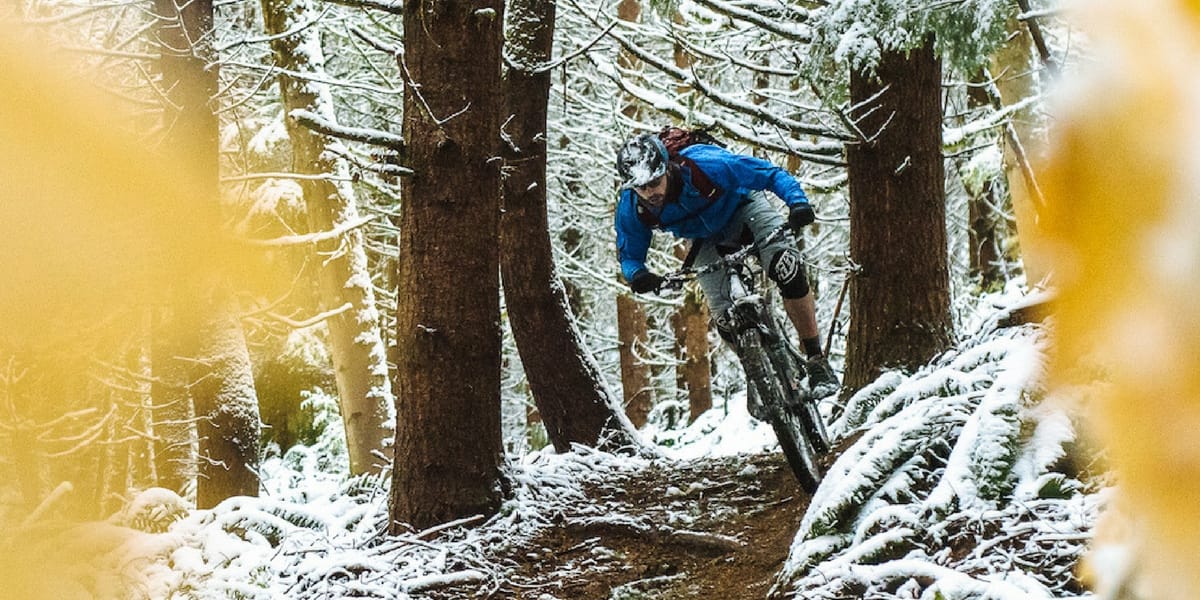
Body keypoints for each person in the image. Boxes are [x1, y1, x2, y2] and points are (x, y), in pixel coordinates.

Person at [613, 132, 839, 402]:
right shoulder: (633, 206)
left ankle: (816, 361)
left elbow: (769, 174)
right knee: (724, 319)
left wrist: (797, 202)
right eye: (641, 187)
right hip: (703, 239)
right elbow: (630, 253)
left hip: (744, 208)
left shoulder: (706, 165)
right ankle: (760, 374)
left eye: (654, 182)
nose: (650, 193)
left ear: (667, 170)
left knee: (786, 268)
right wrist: (638, 275)